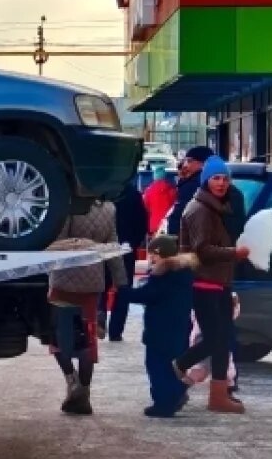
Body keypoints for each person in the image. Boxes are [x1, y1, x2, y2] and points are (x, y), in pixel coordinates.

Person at [172, 156, 253, 413]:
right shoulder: (200, 210)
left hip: (219, 281)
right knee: (215, 339)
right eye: (216, 178)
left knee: (221, 339)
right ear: (206, 180)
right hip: (203, 282)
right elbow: (203, 251)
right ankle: (176, 367)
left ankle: (218, 395)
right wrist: (234, 253)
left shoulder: (218, 207)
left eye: (225, 179)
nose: (221, 183)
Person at [46, 200, 128, 415]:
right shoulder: (109, 208)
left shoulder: (68, 206)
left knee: (58, 337)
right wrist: (120, 279)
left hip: (64, 279)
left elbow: (59, 243)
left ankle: (72, 381)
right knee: (87, 338)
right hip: (93, 282)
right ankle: (84, 393)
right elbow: (113, 244)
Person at [119, 235, 196, 417]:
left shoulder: (163, 274)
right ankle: (175, 394)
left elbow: (149, 294)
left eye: (153, 254)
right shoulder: (185, 273)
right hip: (179, 327)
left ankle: (165, 403)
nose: (151, 258)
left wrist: (124, 292)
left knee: (157, 366)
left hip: (160, 329)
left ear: (161, 254)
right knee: (172, 366)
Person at [107, 180, 149, 342]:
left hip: (102, 248)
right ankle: (115, 331)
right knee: (123, 289)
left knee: (100, 285)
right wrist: (133, 243)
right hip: (126, 249)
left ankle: (98, 315)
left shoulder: (100, 192)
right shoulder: (133, 194)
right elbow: (142, 223)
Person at [165, 146, 213, 236]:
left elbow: (182, 212)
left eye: (189, 161)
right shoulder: (206, 182)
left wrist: (172, 233)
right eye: (185, 161)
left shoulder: (193, 184)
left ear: (203, 163)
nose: (185, 165)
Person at [142, 165, 177, 236]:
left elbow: (145, 209)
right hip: (168, 225)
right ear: (164, 177)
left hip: (154, 226)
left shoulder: (148, 191)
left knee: (155, 243)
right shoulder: (172, 190)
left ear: (154, 177)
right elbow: (175, 207)